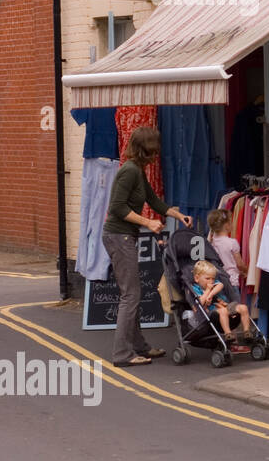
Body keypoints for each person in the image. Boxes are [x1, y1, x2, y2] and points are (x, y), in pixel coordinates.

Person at [102, 126, 193, 367]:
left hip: (124, 237)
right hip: (117, 236)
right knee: (131, 295)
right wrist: (148, 222)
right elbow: (117, 208)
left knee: (131, 294)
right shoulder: (128, 172)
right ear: (143, 151)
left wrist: (177, 215)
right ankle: (122, 354)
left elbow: (152, 200)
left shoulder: (138, 171)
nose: (156, 156)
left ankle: (140, 347)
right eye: (153, 152)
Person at [191, 260, 253, 350]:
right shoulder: (195, 288)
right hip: (212, 313)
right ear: (197, 278)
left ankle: (247, 331)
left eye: (212, 278)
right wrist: (207, 292)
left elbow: (220, 285)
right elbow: (200, 302)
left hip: (226, 306)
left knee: (243, 307)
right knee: (223, 311)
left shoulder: (214, 284)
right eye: (207, 278)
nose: (211, 281)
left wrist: (211, 294)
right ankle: (228, 334)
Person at [207, 208, 248, 291]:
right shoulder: (232, 242)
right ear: (227, 225)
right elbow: (239, 264)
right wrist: (247, 270)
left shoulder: (211, 242)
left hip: (216, 282)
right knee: (235, 303)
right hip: (231, 282)